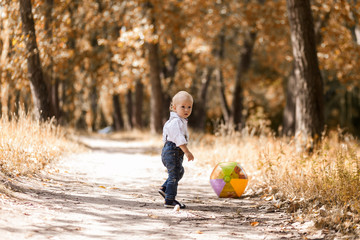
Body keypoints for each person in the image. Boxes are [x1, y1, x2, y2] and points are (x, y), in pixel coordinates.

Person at [158, 91, 194, 209]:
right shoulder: (176, 122)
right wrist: (187, 152)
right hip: (172, 150)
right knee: (174, 175)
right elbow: (178, 139)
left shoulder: (179, 120)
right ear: (174, 107)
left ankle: (164, 188)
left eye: (189, 107)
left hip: (172, 151)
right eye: (182, 106)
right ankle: (169, 199)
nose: (186, 110)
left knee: (179, 172)